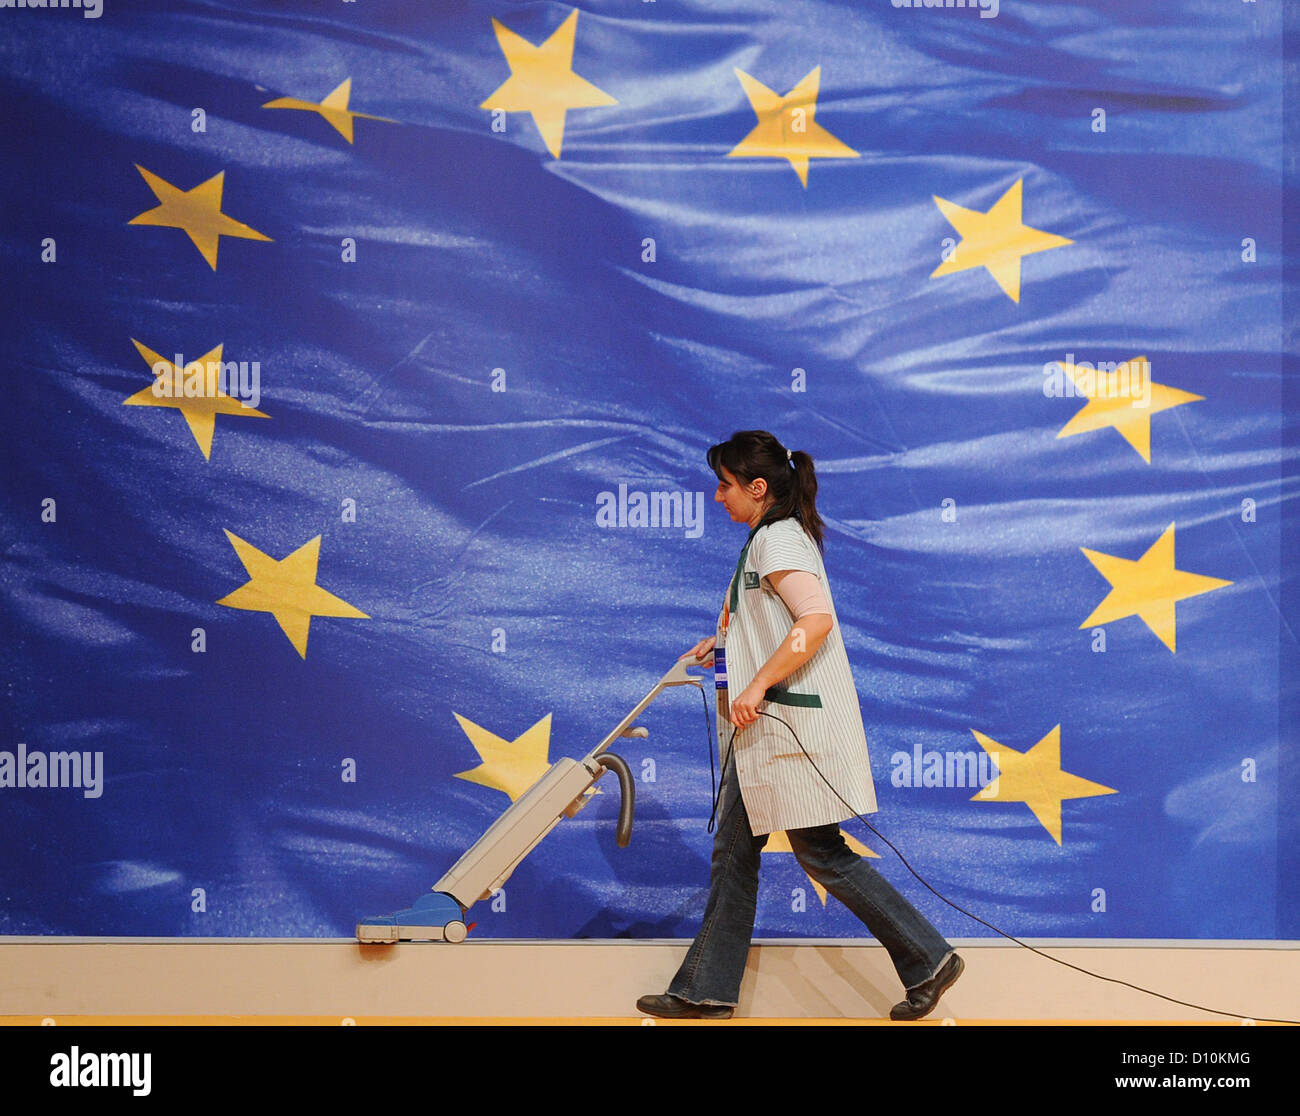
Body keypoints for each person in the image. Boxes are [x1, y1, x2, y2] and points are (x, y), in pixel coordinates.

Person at [636, 430, 963, 1021]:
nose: (718, 497)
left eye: (726, 485)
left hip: (785, 730)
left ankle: (927, 956)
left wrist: (757, 683)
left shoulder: (777, 539)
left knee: (819, 854)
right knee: (742, 854)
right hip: (768, 734)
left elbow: (815, 620)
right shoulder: (770, 538)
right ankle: (704, 991)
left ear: (757, 489)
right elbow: (782, 620)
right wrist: (730, 641)